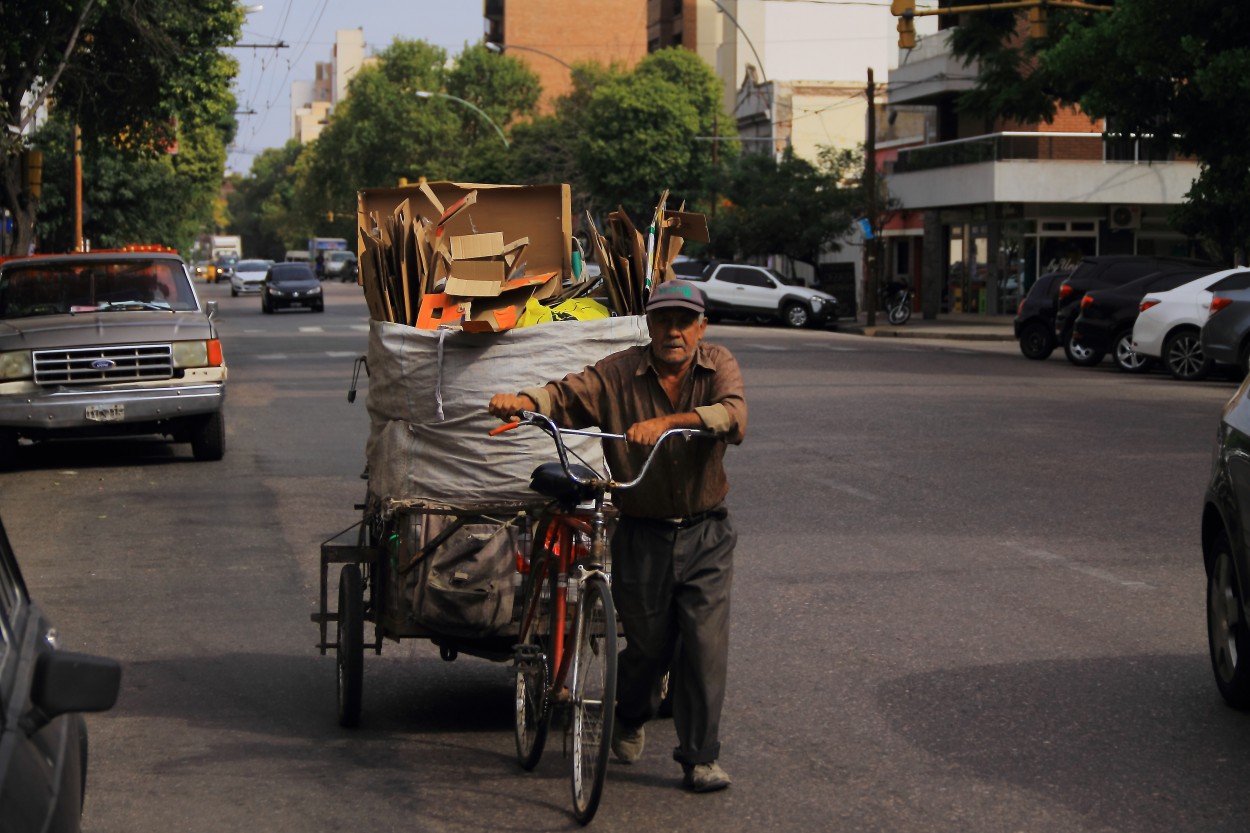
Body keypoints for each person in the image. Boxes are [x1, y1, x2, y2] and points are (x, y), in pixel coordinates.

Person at [488, 279, 747, 793]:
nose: (674, 331)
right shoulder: (619, 371)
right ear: (649, 325)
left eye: (684, 322)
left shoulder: (719, 364)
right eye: (663, 321)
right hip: (643, 534)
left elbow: (734, 416)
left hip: (706, 533)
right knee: (648, 648)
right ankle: (630, 715)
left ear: (701, 327)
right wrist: (522, 400)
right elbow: (565, 394)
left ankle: (699, 759)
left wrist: (670, 422)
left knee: (702, 647)